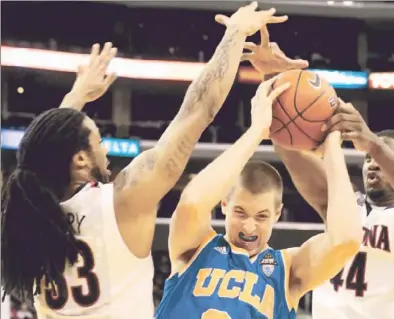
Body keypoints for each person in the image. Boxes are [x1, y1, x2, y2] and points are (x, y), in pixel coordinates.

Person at [1, 3, 284, 315]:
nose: (105, 148)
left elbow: (43, 157)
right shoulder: (123, 200)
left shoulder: (26, 220)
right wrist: (235, 33)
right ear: (80, 159)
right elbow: (198, 110)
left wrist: (76, 99)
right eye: (98, 139)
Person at [243, 27, 394, 319]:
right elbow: (288, 144)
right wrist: (275, 81)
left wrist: (373, 144)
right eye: (368, 158)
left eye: (383, 156)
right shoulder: (346, 206)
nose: (372, 162)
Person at [154, 73, 363, 318]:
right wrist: (256, 132)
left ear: (277, 214)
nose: (249, 227)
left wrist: (332, 149)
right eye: (240, 212)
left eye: (261, 216)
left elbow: (346, 240)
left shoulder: (288, 271)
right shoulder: (195, 248)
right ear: (223, 204)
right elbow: (191, 203)